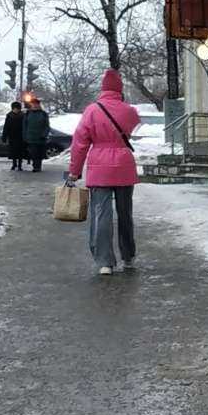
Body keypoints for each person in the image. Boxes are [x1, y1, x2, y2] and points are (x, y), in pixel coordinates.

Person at [66, 69, 140, 276]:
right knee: (126, 213)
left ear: (103, 88)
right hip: (124, 165)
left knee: (101, 215)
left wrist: (74, 171)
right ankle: (128, 256)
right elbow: (134, 124)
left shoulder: (92, 110)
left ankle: (105, 261)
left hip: (99, 167)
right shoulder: (129, 111)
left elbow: (79, 143)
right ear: (120, 89)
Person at [22, 97, 50, 172]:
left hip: (41, 138)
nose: (34, 105)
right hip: (31, 137)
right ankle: (35, 166)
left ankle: (38, 166)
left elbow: (47, 126)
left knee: (40, 153)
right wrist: (24, 136)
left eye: (36, 104)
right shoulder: (28, 114)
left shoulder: (43, 114)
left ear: (39, 105)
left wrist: (44, 135)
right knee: (33, 153)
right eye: (33, 104)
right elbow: (24, 125)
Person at [1, 100, 24, 170]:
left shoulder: (23, 116)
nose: (16, 110)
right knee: (13, 151)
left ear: (19, 109)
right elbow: (6, 127)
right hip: (12, 136)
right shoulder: (9, 116)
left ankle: (20, 165)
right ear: (12, 108)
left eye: (17, 108)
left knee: (20, 151)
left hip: (21, 136)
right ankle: (14, 164)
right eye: (14, 108)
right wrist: (4, 136)